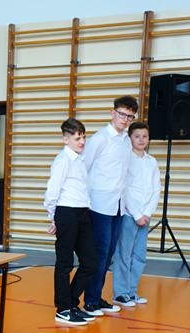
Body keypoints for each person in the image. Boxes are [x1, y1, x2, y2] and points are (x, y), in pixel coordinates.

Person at [82, 95, 138, 316]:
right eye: (122, 114)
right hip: (99, 206)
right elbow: (83, 168)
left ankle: (97, 297)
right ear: (113, 113)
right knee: (100, 253)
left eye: (130, 117)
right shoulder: (100, 139)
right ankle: (90, 301)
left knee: (109, 254)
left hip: (118, 206)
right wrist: (85, 202)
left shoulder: (125, 141)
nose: (125, 119)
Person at [44, 118, 98, 326]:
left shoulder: (80, 160)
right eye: (77, 138)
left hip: (82, 213)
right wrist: (54, 217)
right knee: (65, 263)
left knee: (90, 262)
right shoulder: (63, 161)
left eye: (83, 137)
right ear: (66, 139)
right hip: (66, 213)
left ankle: (72, 303)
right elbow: (52, 192)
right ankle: (63, 309)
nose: (82, 141)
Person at [112, 121, 160, 307]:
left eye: (144, 136)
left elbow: (156, 190)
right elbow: (124, 189)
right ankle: (120, 293)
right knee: (124, 254)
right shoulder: (126, 160)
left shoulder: (151, 161)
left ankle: (132, 292)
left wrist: (147, 213)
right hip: (129, 214)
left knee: (139, 255)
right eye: (137, 136)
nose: (141, 140)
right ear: (130, 138)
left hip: (145, 216)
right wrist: (137, 214)